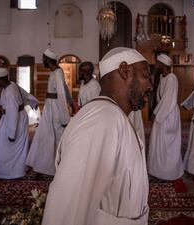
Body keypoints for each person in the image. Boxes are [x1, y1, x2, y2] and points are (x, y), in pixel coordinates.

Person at [42, 47, 152, 225]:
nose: (150, 86)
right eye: (146, 76)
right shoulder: (102, 119)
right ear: (125, 71)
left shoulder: (113, 115)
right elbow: (66, 206)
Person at [26, 49, 71, 176]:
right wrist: (71, 101)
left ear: (48, 59)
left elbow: (61, 93)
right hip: (50, 107)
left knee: (55, 137)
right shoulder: (55, 72)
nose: (42, 61)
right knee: (45, 136)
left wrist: (64, 117)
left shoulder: (57, 73)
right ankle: (45, 166)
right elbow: (65, 90)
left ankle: (54, 167)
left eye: (43, 59)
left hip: (55, 110)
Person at [0, 68, 38, 179]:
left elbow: (12, 113)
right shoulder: (12, 85)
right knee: (16, 146)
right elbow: (26, 95)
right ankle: (16, 170)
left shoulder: (10, 92)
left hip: (13, 119)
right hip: (19, 117)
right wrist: (33, 102)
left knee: (9, 145)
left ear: (1, 79)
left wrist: (11, 134)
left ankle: (12, 172)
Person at [147, 53, 184, 181]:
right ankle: (158, 169)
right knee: (159, 142)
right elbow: (160, 98)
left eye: (157, 63)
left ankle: (168, 171)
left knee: (168, 143)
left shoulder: (172, 78)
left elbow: (169, 100)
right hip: (162, 113)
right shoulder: (163, 77)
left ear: (163, 64)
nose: (155, 65)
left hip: (168, 114)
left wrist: (156, 114)